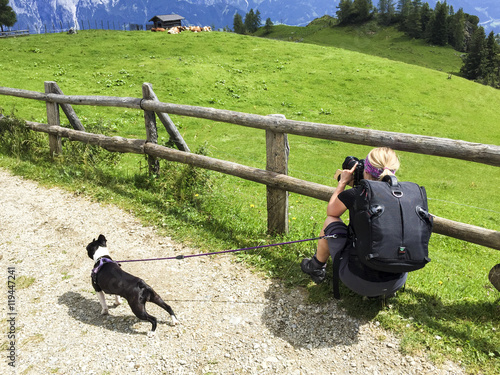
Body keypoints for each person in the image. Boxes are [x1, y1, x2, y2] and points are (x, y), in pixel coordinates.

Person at [301, 147, 407, 298]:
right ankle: (386, 289)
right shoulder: (406, 196)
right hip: (396, 281)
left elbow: (331, 211)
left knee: (330, 221)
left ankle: (316, 267)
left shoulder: (357, 194)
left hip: (358, 280)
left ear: (367, 171)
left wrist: (343, 183)